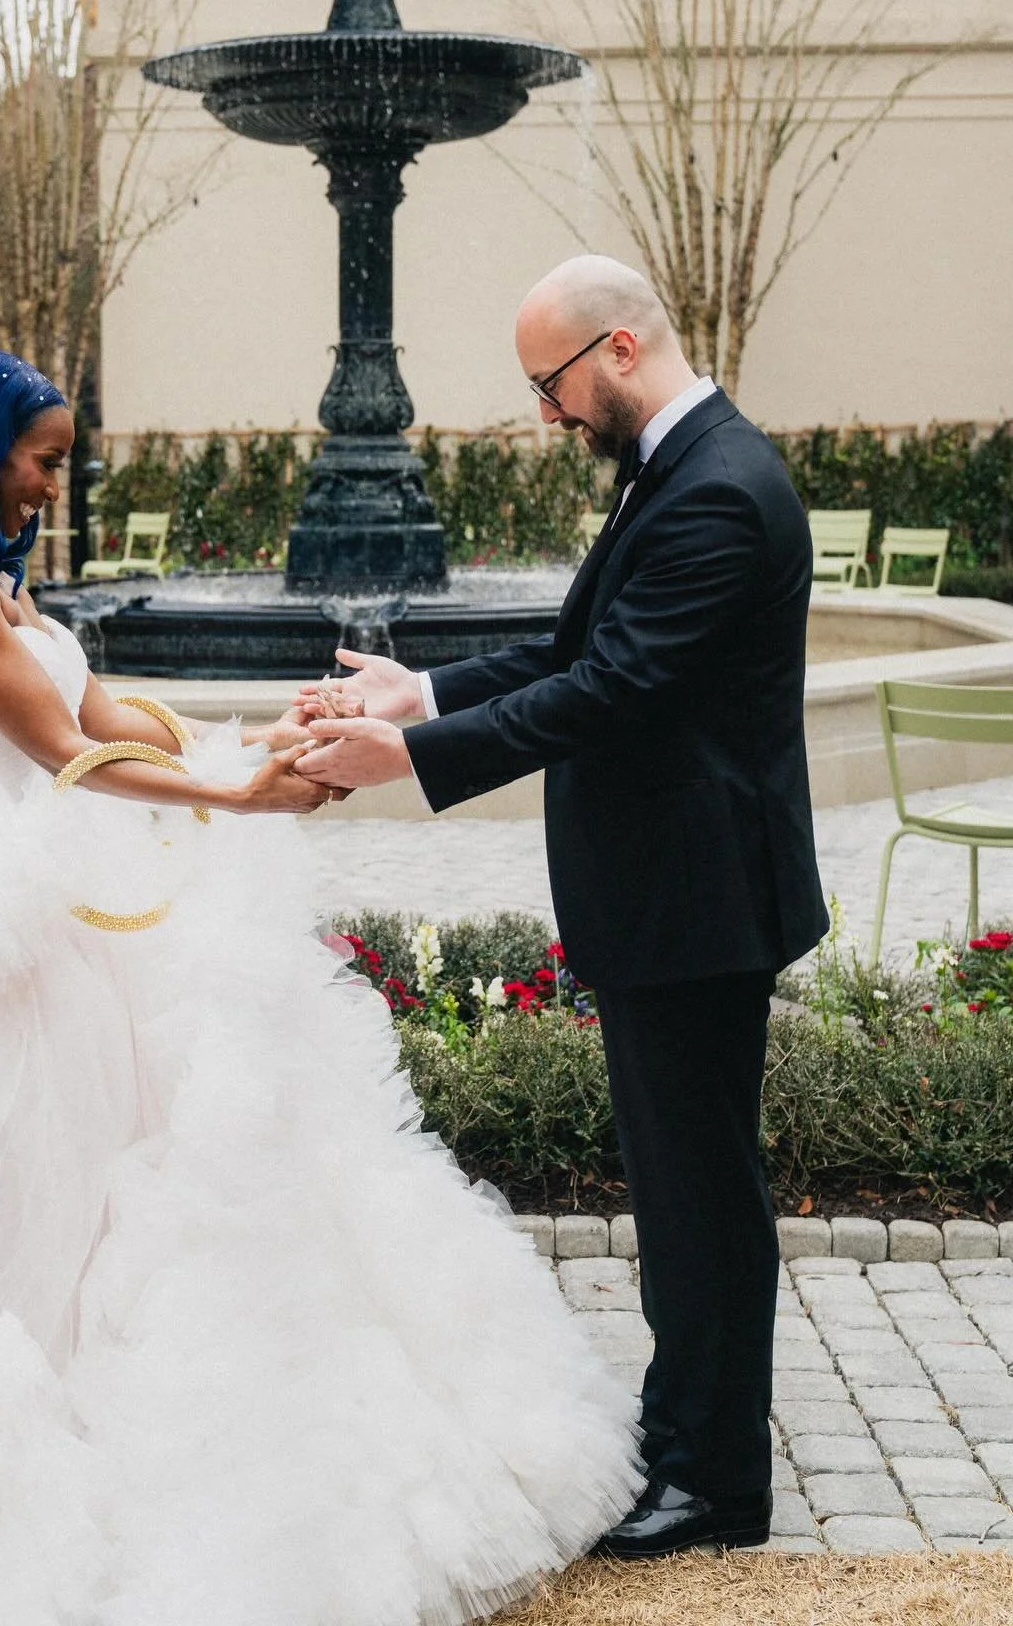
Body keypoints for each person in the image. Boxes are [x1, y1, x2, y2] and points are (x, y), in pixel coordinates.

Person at [0, 348, 641, 1624]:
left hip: (86, 915)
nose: (53, 483)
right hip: (9, 933)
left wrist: (256, 740)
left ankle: (121, 1400)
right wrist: (237, 794)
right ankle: (25, 1442)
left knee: (149, 1185)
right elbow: (63, 753)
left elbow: (115, 714)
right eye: (44, 458)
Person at [299, 256, 829, 1558]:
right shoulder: (685, 464)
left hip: (698, 904)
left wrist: (414, 764)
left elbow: (616, 690)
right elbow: (577, 646)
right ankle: (687, 1433)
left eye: (553, 383)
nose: (548, 413)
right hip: (675, 896)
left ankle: (715, 1485)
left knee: (701, 1197)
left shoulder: (716, 492)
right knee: (681, 1190)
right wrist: (415, 694)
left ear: (623, 349)